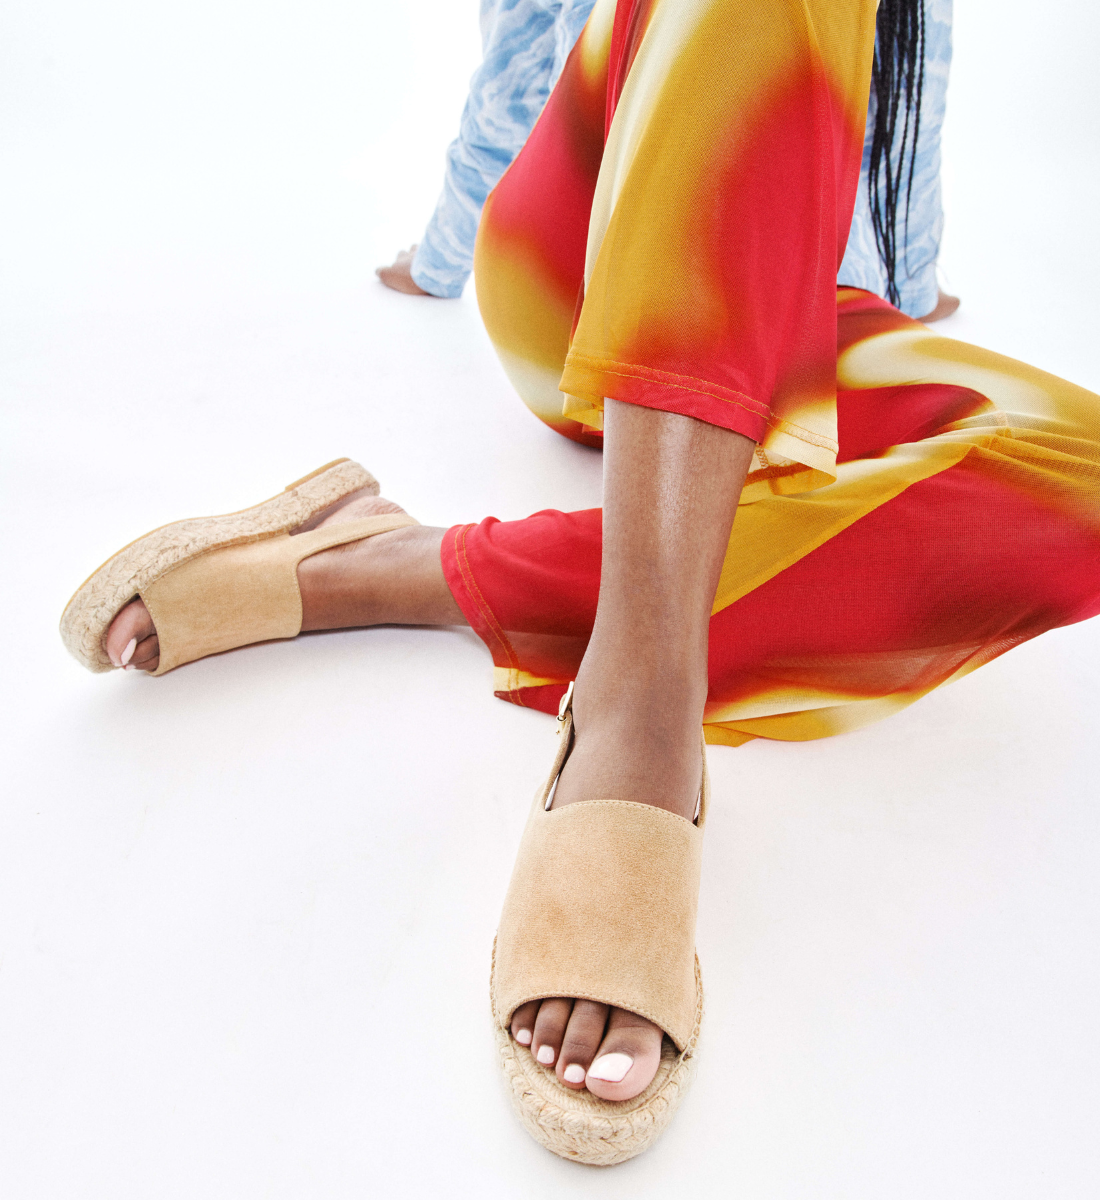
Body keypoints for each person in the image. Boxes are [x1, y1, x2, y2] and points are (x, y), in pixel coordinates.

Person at [61, 0, 1100, 1167]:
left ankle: (402, 563)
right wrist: (443, 248)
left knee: (1082, 485)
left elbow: (914, 72)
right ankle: (638, 708)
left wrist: (907, 309)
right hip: (586, 267)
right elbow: (528, 45)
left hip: (798, 307)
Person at [377, 0, 960, 322]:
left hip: (608, 340)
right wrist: (909, 291)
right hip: (829, 333)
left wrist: (441, 260)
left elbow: (512, 83)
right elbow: (910, 106)